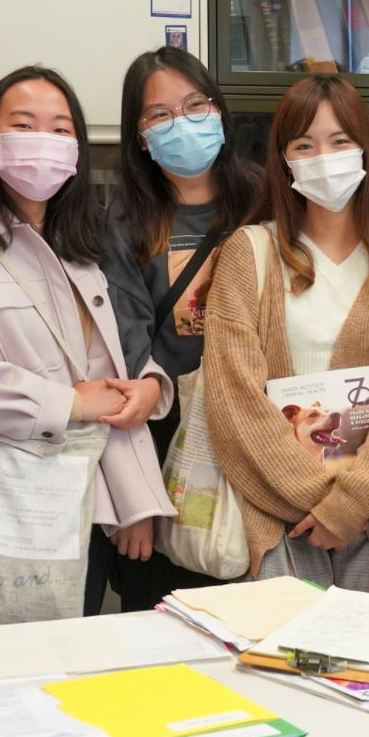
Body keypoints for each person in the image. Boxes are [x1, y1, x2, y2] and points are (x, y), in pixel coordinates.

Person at [0, 65, 173, 628]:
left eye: (60, 129)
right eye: (24, 125)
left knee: (77, 676)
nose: (43, 143)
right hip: (0, 505)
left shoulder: (85, 245)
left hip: (85, 504)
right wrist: (68, 403)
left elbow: (115, 380)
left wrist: (135, 502)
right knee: (3, 675)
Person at [202, 75, 369, 594]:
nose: (324, 156)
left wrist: (354, 504)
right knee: (280, 672)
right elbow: (235, 405)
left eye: (340, 142)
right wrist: (320, 501)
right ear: (283, 159)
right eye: (304, 145)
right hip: (280, 519)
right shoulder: (248, 255)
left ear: (367, 149)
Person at [97, 47, 260, 611]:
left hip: (257, 443)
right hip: (162, 448)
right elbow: (122, 358)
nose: (182, 123)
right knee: (157, 628)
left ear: (218, 112)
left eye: (195, 105)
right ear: (140, 135)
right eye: (160, 115)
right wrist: (134, 498)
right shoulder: (121, 220)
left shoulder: (266, 204)